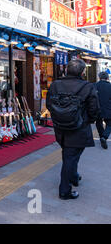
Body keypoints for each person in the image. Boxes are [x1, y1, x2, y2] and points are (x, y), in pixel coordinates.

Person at [46, 59, 100, 200]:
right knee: (70, 156)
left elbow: (49, 104)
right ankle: (65, 190)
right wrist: (89, 120)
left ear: (66, 70)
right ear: (82, 72)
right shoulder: (87, 87)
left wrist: (59, 117)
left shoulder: (55, 85)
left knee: (69, 154)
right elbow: (94, 108)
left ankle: (74, 177)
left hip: (60, 128)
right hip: (78, 127)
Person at [95, 72, 111, 149]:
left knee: (98, 123)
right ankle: (104, 137)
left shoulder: (94, 85)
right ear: (107, 78)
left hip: (96, 108)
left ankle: (101, 136)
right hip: (108, 109)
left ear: (99, 77)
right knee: (109, 124)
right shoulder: (110, 86)